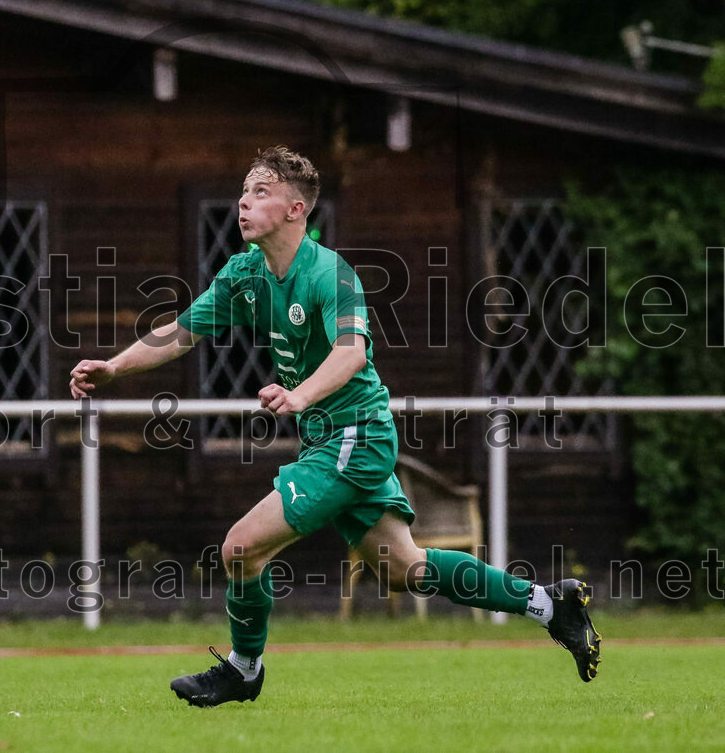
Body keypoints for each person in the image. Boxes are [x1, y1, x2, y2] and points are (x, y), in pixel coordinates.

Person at [69, 146, 601, 707]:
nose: (243, 202)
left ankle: (244, 670)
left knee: (240, 548)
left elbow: (350, 353)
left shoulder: (330, 274)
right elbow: (182, 331)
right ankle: (549, 604)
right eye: (244, 191)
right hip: (333, 440)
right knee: (405, 569)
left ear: (295, 209)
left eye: (260, 192)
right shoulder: (245, 273)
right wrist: (114, 367)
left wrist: (298, 395)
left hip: (356, 437)